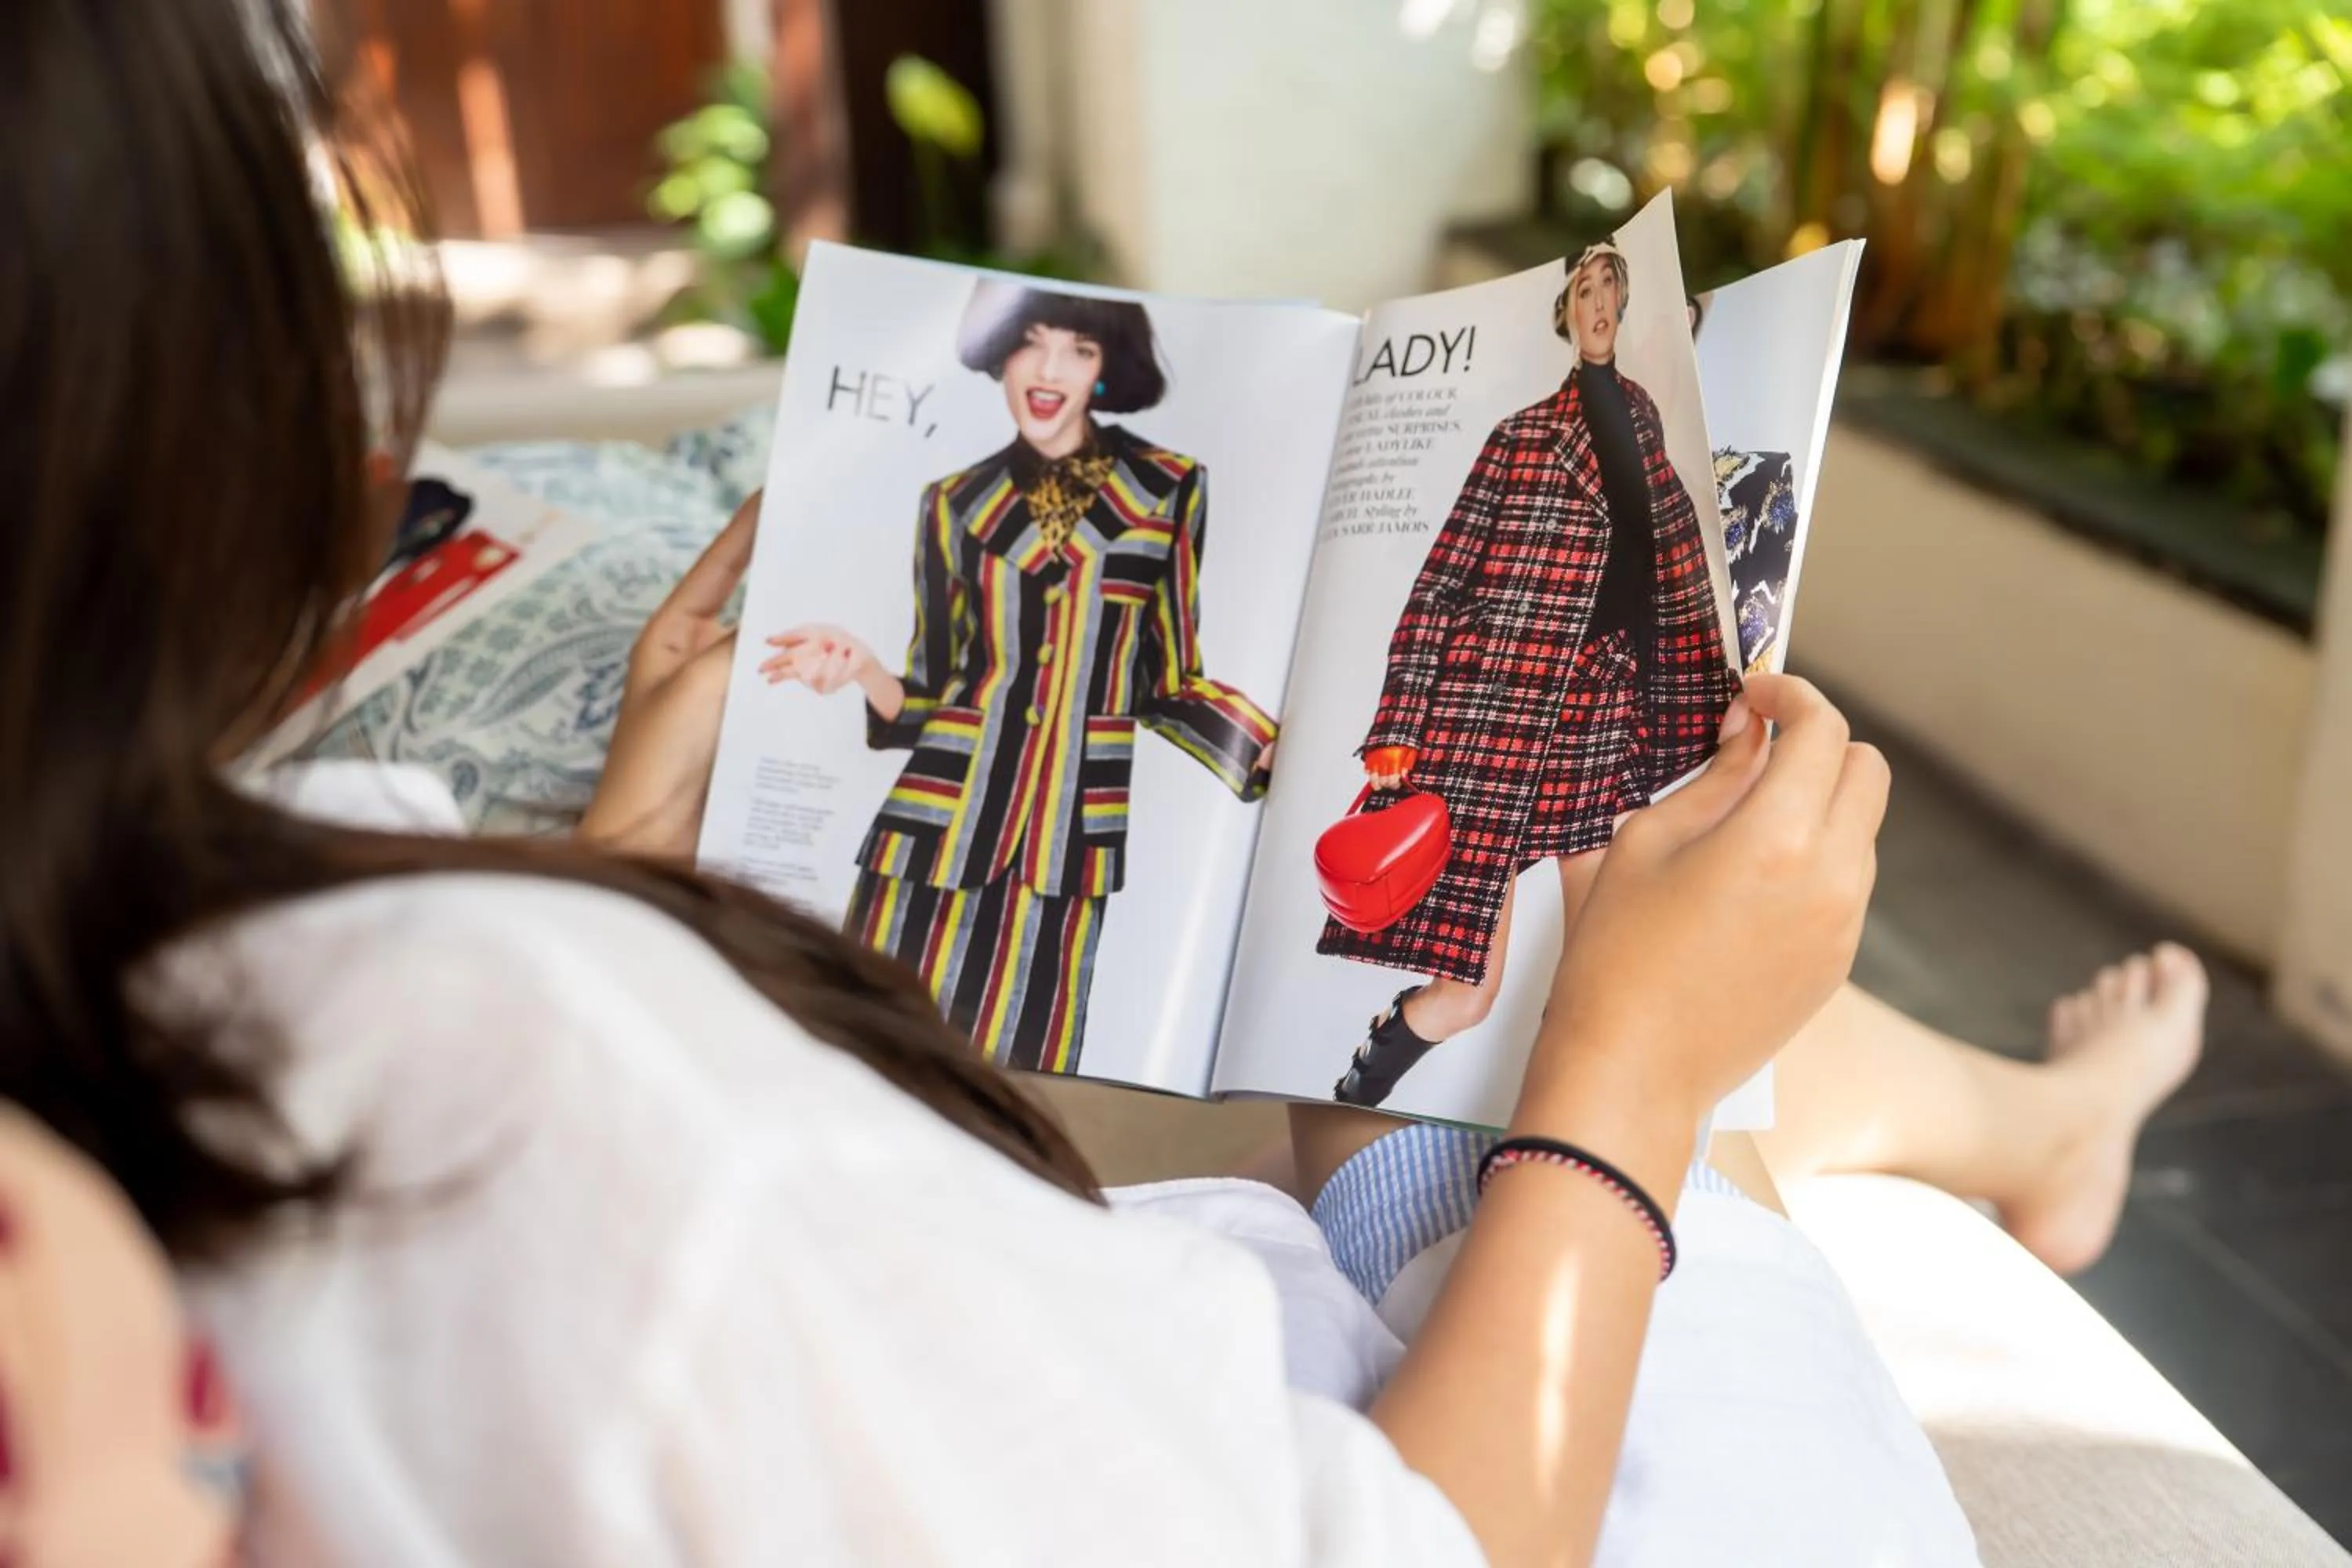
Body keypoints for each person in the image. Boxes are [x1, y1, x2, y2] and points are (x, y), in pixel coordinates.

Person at [0, 4, 2210, 1566]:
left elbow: (1162, 667)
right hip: (1459, 1481)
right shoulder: (539, 1090)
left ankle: (2029, 1127)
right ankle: (2030, 1123)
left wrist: (628, 866)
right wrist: (1626, 1074)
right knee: (1580, 1039)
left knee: (1428, 1029)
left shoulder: (179, 981)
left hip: (1131, 1204)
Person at [760, 283, 1276, 1075]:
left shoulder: (1169, 488)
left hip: (1067, 840)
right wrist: (860, 667)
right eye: (1030, 341)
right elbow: (928, 694)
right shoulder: (953, 503)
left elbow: (1168, 679)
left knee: (1013, 1079)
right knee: (864, 1060)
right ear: (1000, 355)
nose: (1049, 368)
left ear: (1106, 369)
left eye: (1080, 348)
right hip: (934, 832)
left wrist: (1267, 750)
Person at [1320, 241, 1742, 1108]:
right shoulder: (1520, 436)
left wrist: (1729, 699)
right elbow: (1441, 582)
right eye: (1587, 289)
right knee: (1467, 991)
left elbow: (1680, 596)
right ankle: (1359, 1087)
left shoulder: (1658, 444)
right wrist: (1399, 724)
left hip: (1600, 709)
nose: (1600, 304)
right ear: (1568, 311)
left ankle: (1558, 1126)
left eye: (1613, 289)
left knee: (1599, 971)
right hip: (1494, 711)